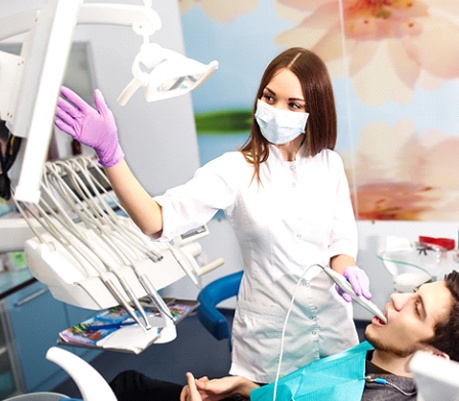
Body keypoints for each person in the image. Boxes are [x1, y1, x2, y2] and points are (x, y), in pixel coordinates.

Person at [54, 47, 372, 383]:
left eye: (293, 104)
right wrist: (111, 155)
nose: (277, 110)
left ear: (315, 111)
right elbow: (156, 220)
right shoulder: (234, 170)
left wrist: (346, 269)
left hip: (333, 332)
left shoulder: (329, 164)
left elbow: (340, 239)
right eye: (269, 97)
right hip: (271, 345)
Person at [172, 270, 459, 401]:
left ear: (435, 357)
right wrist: (244, 388)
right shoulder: (380, 354)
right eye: (414, 291)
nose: (395, 298)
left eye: (416, 308)